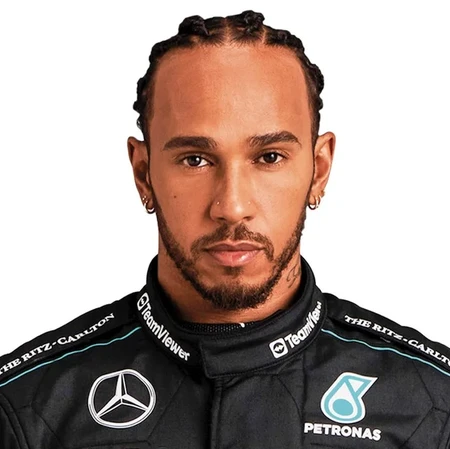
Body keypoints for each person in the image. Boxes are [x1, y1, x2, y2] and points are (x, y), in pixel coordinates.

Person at [1, 9, 450, 448]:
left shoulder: (433, 406)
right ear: (144, 173)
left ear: (319, 169)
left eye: (269, 157)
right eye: (195, 159)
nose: (232, 208)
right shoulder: (25, 409)